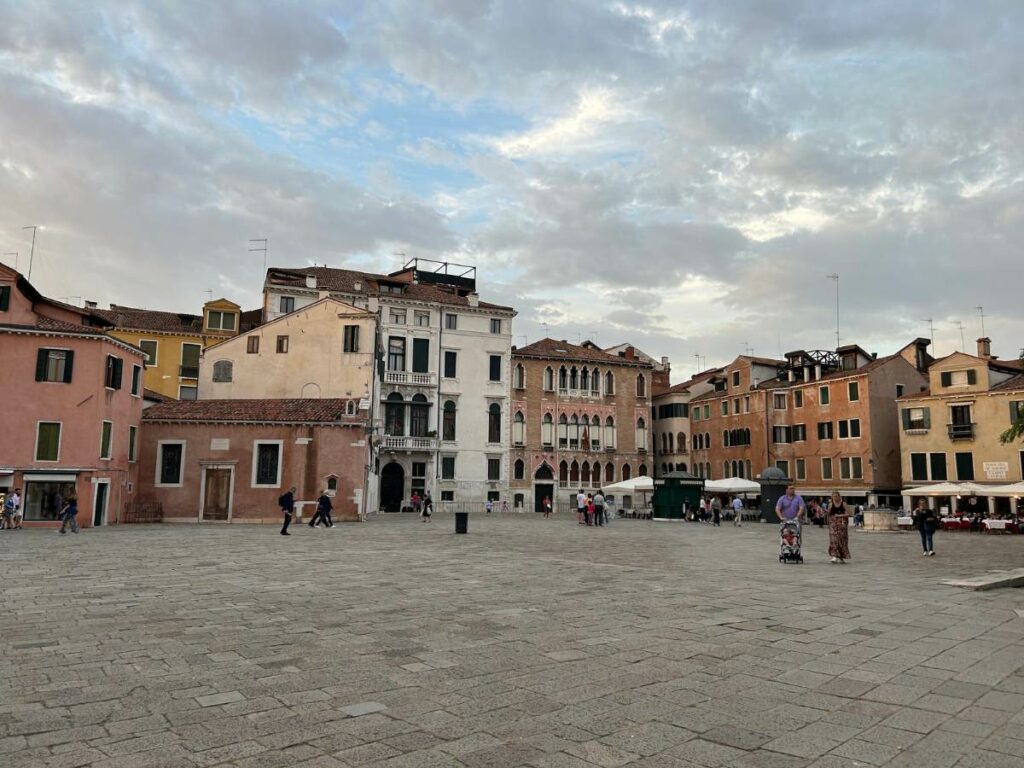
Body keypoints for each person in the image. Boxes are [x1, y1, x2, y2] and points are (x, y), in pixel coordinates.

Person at [827, 491, 851, 563]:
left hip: (842, 524)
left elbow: (850, 513)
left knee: (841, 540)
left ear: (839, 496)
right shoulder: (831, 504)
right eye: (833, 496)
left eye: (836, 496)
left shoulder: (843, 504)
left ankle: (841, 556)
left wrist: (840, 515)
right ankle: (834, 555)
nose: (835, 498)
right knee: (834, 540)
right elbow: (829, 514)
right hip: (833, 525)